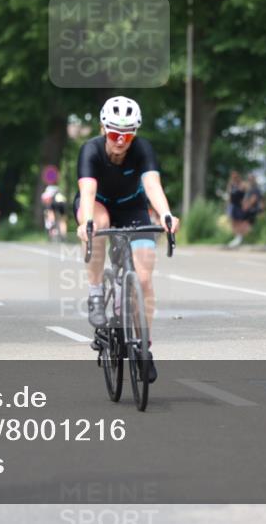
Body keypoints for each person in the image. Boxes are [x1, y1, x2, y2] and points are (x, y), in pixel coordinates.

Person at [75, 96, 180, 384]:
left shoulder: (143, 149)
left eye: (127, 134)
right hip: (97, 204)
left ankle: (143, 347)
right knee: (100, 223)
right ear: (103, 129)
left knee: (144, 277)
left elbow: (152, 185)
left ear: (135, 133)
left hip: (132, 207)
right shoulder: (91, 150)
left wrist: (166, 214)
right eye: (114, 134)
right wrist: (86, 221)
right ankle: (96, 292)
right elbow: (87, 192)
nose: (120, 141)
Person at [225, 171, 248, 248]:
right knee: (233, 222)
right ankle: (237, 237)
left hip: (239, 205)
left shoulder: (242, 184)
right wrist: (227, 206)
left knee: (239, 221)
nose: (234, 179)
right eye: (233, 177)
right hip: (233, 205)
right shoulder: (231, 185)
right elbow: (229, 196)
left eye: (235, 177)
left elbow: (246, 193)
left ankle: (240, 237)